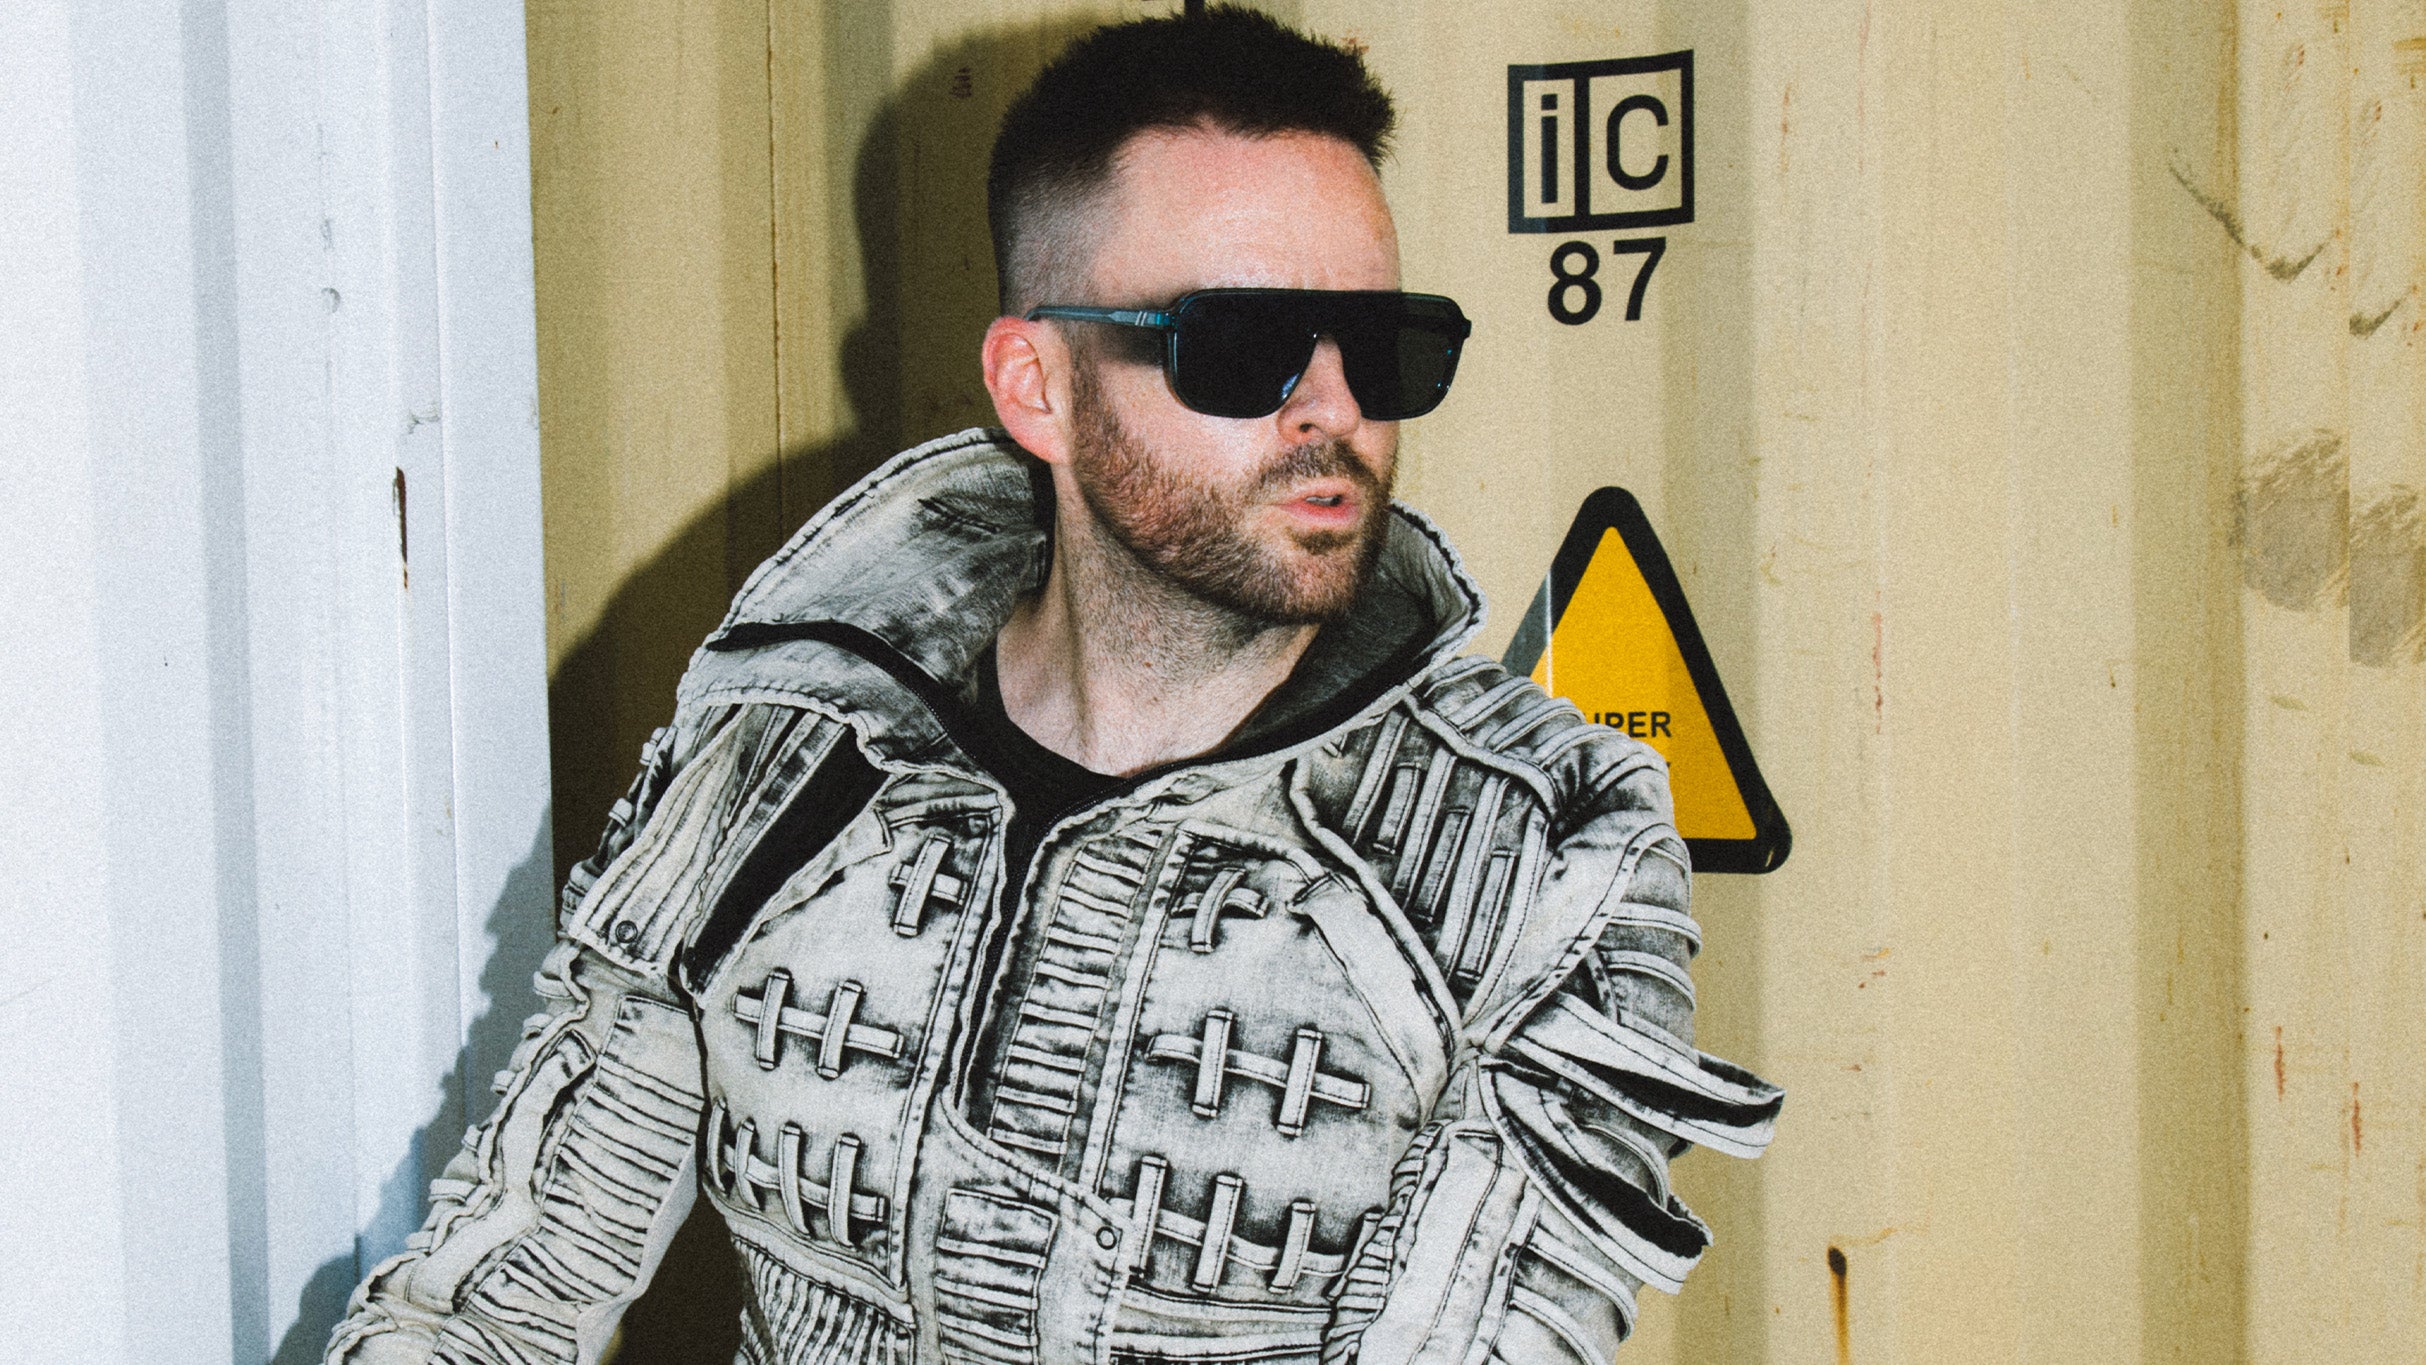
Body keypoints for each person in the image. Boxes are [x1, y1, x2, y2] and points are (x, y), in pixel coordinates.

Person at [325, 9, 1778, 1364]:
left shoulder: (1536, 849)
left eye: (1385, 345)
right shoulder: (775, 762)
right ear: (1036, 385)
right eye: (1244, 346)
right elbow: (491, 1304)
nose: (1335, 408)